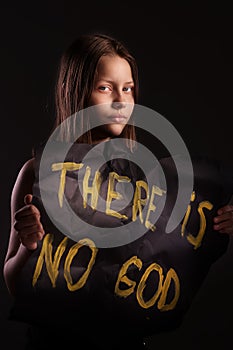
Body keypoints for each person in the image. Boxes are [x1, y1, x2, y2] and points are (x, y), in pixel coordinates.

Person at [3, 32, 233, 350]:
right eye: (105, 88)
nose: (121, 101)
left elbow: (179, 246)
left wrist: (218, 222)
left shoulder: (148, 181)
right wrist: (29, 247)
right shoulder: (39, 173)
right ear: (76, 91)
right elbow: (14, 284)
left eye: (128, 89)